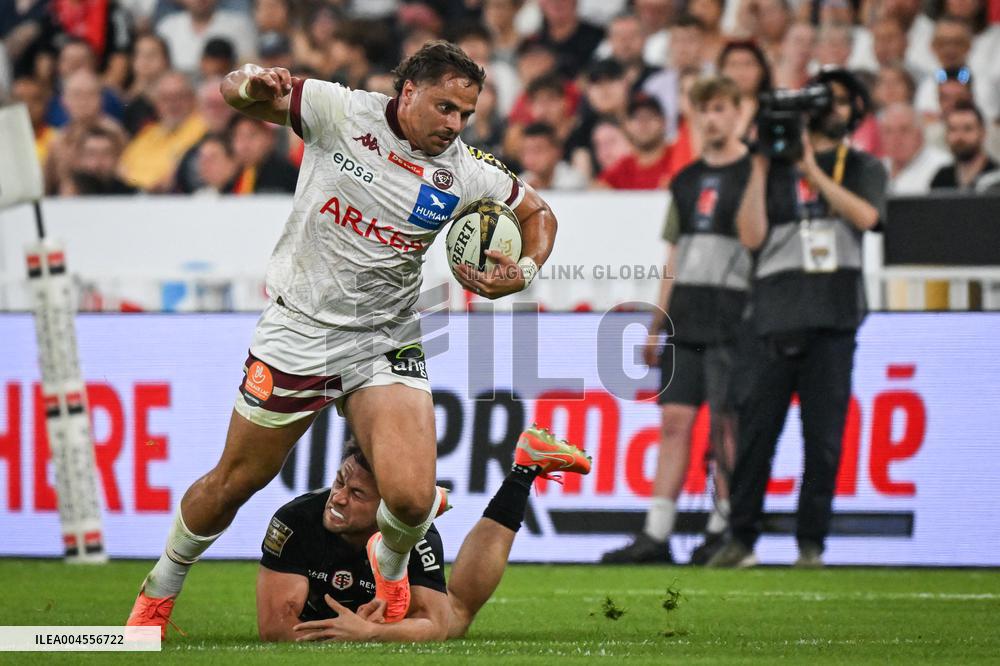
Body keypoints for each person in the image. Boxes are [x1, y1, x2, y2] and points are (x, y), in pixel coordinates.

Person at [127, 40, 559, 637]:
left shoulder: (466, 171)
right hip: (300, 331)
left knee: (411, 500)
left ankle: (390, 569)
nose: (455, 124)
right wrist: (252, 81)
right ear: (408, 91)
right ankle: (158, 592)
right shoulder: (340, 111)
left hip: (384, 337)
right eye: (445, 108)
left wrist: (524, 270)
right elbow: (235, 93)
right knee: (234, 482)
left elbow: (539, 214)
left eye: (465, 113)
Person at [708, 68, 887, 569]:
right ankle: (741, 538)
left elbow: (868, 218)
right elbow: (750, 236)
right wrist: (762, 164)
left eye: (843, 101)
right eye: (826, 99)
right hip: (772, 316)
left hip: (833, 317)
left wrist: (811, 169)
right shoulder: (771, 166)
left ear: (856, 111)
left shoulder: (864, 165)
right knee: (756, 436)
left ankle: (811, 545)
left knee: (823, 440)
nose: (833, 108)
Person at [601, 76, 751, 565]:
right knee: (674, 422)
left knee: (727, 426)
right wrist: (656, 319)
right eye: (704, 109)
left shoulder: (755, 174)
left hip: (735, 314)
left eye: (721, 107)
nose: (712, 118)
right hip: (686, 314)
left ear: (738, 113)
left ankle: (724, 527)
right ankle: (656, 532)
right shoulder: (685, 181)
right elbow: (674, 254)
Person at [257, 428, 591, 641]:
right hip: (339, 616)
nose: (339, 498)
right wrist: (340, 637)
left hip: (384, 614)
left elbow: (435, 625)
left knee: (456, 616)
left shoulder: (416, 533)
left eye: (357, 493)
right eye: (339, 482)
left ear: (388, 505)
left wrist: (369, 633)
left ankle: (524, 471)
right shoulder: (296, 520)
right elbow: (274, 627)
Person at [596, 94, 674, 190]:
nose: (643, 123)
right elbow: (597, 188)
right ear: (627, 125)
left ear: (664, 122)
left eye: (650, 116)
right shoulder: (622, 168)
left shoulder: (678, 155)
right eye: (636, 118)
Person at [879, 102, 951, 194]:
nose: (896, 138)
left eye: (904, 130)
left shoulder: (943, 166)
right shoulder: (878, 167)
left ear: (920, 134)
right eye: (888, 131)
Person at [930, 101, 998, 189]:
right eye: (953, 129)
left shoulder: (996, 177)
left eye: (967, 129)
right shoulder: (941, 179)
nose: (959, 137)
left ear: (983, 133)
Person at [519, 122, 587, 190]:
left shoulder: (574, 181)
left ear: (557, 151)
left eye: (538, 150)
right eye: (526, 151)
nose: (531, 158)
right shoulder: (520, 183)